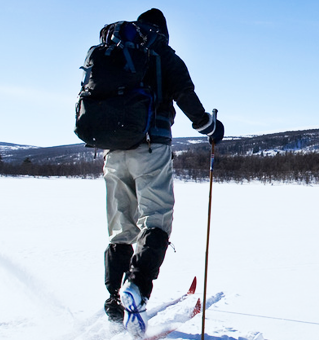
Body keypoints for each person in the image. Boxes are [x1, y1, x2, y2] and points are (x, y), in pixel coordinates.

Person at [100, 8, 225, 322]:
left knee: (121, 231)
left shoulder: (116, 52)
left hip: (113, 152)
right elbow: (186, 97)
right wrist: (210, 126)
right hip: (151, 147)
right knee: (156, 223)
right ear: (163, 31)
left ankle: (115, 299)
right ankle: (137, 288)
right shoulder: (164, 55)